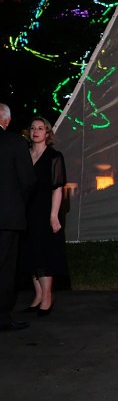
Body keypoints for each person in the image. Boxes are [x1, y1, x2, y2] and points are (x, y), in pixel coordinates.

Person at [22, 117, 69, 316]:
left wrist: (53, 215)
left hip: (45, 210)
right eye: (33, 128)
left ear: (47, 133)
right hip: (26, 210)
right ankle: (38, 295)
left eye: (40, 128)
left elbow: (57, 188)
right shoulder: (24, 155)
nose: (36, 131)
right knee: (30, 252)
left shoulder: (54, 156)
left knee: (44, 253)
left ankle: (47, 297)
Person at [0, 103, 35, 332]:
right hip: (7, 217)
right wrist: (16, 203)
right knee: (4, 268)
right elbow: (28, 181)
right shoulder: (15, 143)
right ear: (7, 120)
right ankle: (2, 317)